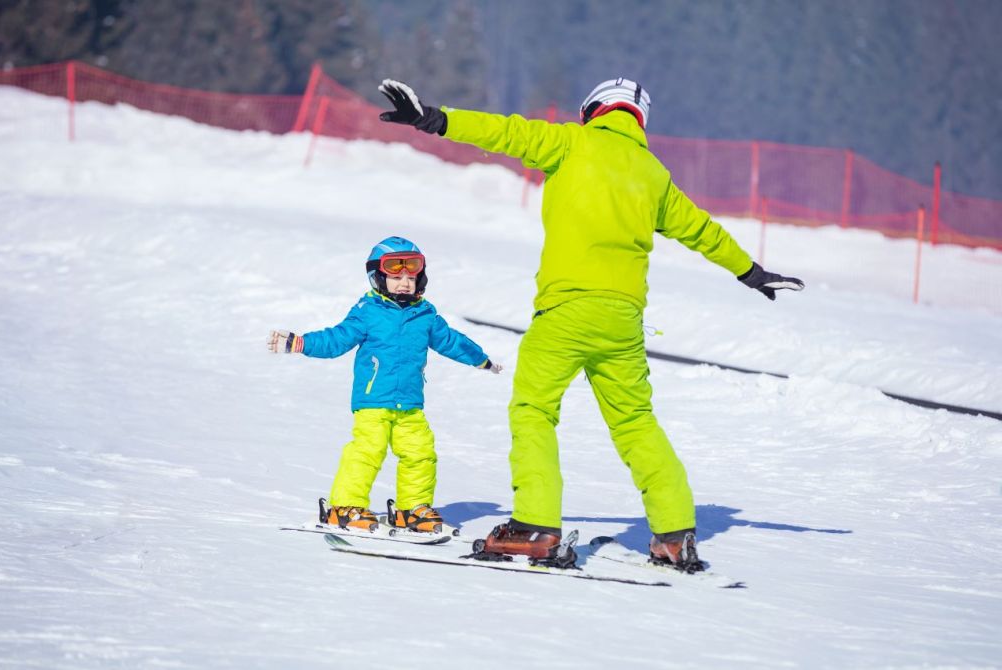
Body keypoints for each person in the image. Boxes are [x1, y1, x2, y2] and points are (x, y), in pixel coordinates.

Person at [377, 77, 804, 570]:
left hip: (565, 312)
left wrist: (433, 117)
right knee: (634, 421)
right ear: (638, 120)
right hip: (623, 321)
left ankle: (535, 524)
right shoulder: (652, 173)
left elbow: (503, 132)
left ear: (592, 110)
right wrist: (750, 271)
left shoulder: (570, 142)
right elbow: (701, 229)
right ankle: (673, 533)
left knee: (534, 409)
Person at [269, 236, 502, 534]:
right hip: (373, 401)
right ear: (378, 277)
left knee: (420, 453)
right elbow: (336, 339)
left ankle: (413, 509)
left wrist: (481, 360)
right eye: (396, 276)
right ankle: (344, 507)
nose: (405, 282)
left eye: (411, 275)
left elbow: (452, 341)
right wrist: (301, 343)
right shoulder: (368, 312)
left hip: (410, 404)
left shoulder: (425, 315)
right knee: (368, 451)